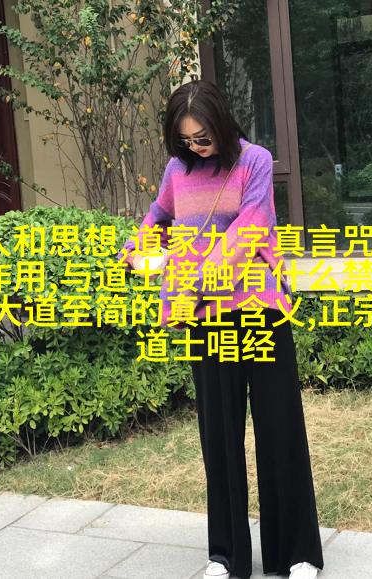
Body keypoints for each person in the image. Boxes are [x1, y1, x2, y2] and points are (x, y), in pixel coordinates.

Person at [118, 79, 324, 579]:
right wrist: (136, 250)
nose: (196, 147)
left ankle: (295, 552)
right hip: (204, 319)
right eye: (186, 140)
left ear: (222, 123)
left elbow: (250, 230)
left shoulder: (254, 161)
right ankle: (227, 555)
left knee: (279, 428)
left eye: (203, 137)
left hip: (258, 310)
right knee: (219, 436)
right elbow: (158, 215)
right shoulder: (177, 170)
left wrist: (192, 277)